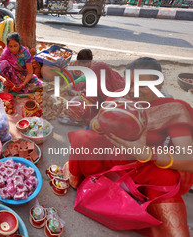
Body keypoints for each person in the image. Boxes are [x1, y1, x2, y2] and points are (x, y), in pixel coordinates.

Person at [64, 57, 193, 236]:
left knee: (167, 178)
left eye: (142, 86)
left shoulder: (173, 110)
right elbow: (94, 122)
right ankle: (89, 183)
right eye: (130, 86)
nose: (134, 92)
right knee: (82, 138)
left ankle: (152, 218)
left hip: (144, 166)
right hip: (111, 158)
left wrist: (147, 153)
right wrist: (98, 124)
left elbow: (189, 159)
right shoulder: (118, 95)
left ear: (160, 82)